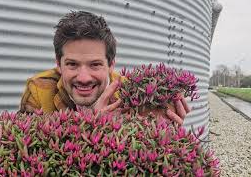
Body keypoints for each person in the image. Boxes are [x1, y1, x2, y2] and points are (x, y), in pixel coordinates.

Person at [19, 10, 190, 125]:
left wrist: (165, 134)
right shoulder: (39, 90)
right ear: (58, 63)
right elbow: (33, 150)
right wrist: (93, 124)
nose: (83, 77)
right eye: (72, 64)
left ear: (111, 65)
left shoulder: (133, 95)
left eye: (95, 65)